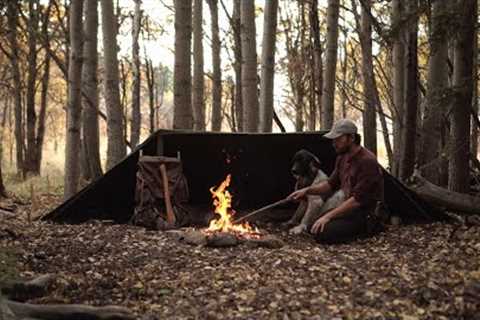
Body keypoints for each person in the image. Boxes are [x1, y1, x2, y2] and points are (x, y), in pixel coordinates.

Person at [287, 119, 384, 244]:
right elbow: (329, 184)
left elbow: (357, 200)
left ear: (352, 138)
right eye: (333, 139)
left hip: (364, 213)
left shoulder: (367, 161)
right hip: (348, 209)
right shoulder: (342, 158)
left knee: (321, 232)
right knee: (314, 226)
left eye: (338, 139)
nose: (334, 143)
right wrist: (306, 190)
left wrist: (328, 216)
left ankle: (369, 230)